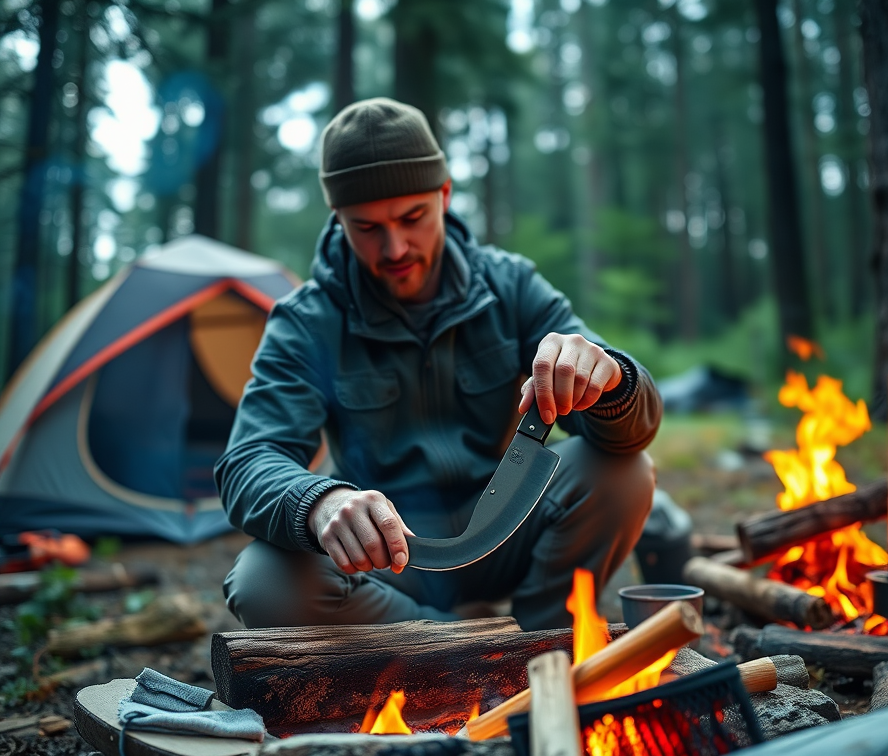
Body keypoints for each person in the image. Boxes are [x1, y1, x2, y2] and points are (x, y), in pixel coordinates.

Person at [215, 98, 663, 631]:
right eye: (366, 228)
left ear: (445, 196)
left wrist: (611, 379)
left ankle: (546, 642)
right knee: (264, 583)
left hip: (504, 526)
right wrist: (320, 502)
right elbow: (248, 461)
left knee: (622, 473)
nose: (395, 247)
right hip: (387, 557)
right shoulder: (307, 321)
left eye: (412, 218)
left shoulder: (509, 285)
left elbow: (634, 427)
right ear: (338, 218)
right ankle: (455, 640)